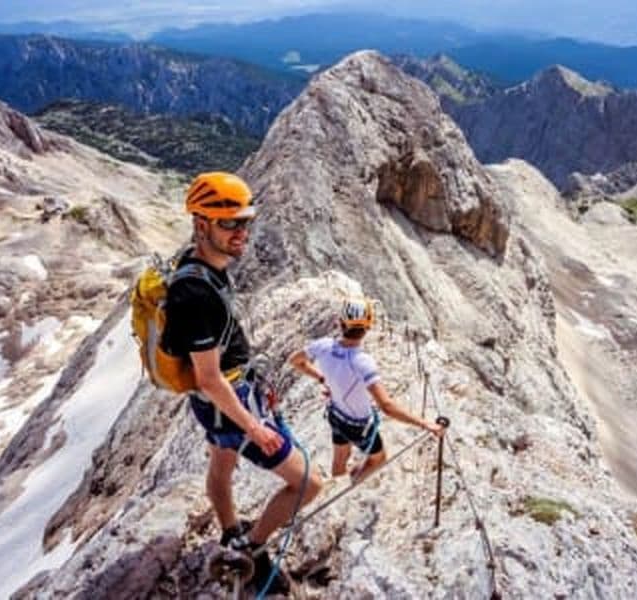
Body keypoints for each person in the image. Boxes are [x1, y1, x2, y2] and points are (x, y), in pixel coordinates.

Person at [161, 172, 322, 594]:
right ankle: (251, 548)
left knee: (222, 462)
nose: (241, 232)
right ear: (201, 225)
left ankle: (231, 531)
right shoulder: (195, 294)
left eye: (245, 221)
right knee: (307, 483)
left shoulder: (202, 266)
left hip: (220, 404)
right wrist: (255, 426)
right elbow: (209, 378)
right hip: (231, 403)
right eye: (229, 223)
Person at [289, 297, 444, 483]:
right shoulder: (363, 362)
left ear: (340, 322)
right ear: (368, 327)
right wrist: (425, 424)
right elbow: (386, 406)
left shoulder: (322, 346)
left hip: (335, 414)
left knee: (340, 456)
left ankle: (336, 482)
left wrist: (323, 378)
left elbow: (295, 361)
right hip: (358, 426)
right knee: (379, 459)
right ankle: (348, 485)